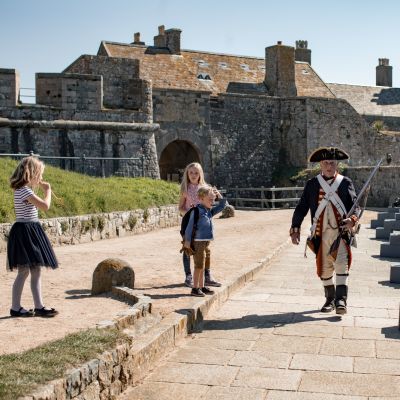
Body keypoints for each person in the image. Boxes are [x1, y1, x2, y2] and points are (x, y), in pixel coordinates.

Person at [290, 147, 359, 315]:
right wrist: (295, 228)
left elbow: (355, 206)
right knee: (324, 268)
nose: (329, 166)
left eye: (332, 163)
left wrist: (352, 220)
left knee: (341, 265)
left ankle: (341, 300)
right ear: (320, 164)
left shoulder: (345, 182)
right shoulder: (312, 184)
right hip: (320, 234)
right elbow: (301, 208)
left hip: (340, 233)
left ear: (337, 164)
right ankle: (330, 299)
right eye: (326, 163)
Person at [7, 156, 59, 317]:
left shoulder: (22, 189)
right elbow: (45, 206)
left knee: (35, 270)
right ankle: (16, 307)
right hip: (26, 232)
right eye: (40, 174)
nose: (41, 177)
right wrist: (47, 190)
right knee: (24, 271)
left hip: (29, 230)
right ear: (32, 173)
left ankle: (39, 306)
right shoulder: (25, 190)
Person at [178, 163, 221, 288]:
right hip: (189, 224)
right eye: (191, 172)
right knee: (187, 248)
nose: (193, 175)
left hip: (202, 226)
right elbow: (180, 207)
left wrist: (217, 196)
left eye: (196, 173)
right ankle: (188, 276)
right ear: (187, 174)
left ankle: (207, 275)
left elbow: (211, 203)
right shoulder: (185, 189)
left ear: (200, 174)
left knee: (206, 250)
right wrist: (190, 214)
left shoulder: (205, 188)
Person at [183, 185, 227, 297]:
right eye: (210, 199)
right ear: (201, 198)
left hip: (206, 242)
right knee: (198, 265)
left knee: (202, 265)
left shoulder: (209, 211)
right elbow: (189, 227)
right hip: (198, 242)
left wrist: (219, 195)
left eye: (213, 199)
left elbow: (222, 205)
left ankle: (201, 286)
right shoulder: (196, 211)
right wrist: (187, 241)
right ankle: (195, 288)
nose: (212, 202)